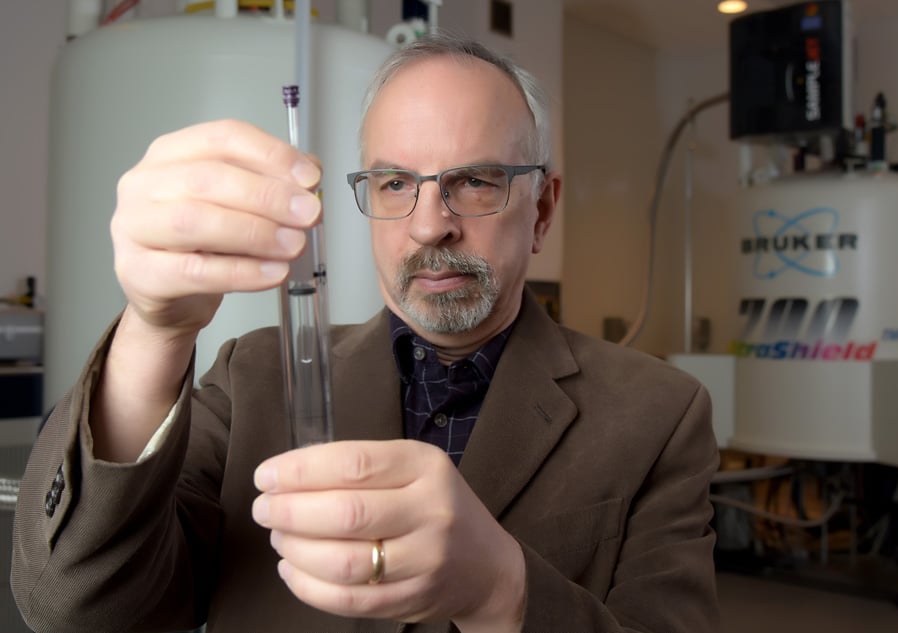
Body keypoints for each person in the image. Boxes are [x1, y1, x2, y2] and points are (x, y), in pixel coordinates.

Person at [12, 34, 719, 633]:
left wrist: (503, 590)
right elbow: (76, 608)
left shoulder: (657, 414)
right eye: (393, 184)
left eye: (474, 181)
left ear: (541, 210)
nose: (428, 223)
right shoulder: (251, 377)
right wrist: (154, 330)